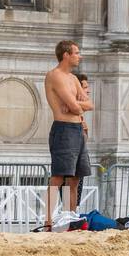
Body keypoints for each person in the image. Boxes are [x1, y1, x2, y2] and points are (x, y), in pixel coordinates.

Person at [43, 40, 94, 231]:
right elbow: (73, 106)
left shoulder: (73, 79)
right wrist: (76, 106)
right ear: (66, 55)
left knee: (75, 177)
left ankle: (70, 217)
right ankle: (48, 220)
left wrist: (76, 106)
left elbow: (89, 104)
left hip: (78, 130)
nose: (79, 56)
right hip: (63, 129)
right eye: (76, 53)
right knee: (58, 176)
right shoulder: (54, 76)